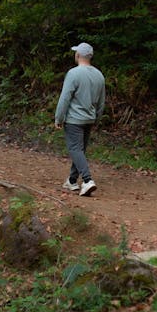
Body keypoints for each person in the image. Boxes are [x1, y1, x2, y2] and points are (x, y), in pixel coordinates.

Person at [55, 42, 105, 196]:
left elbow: (65, 98)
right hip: (89, 119)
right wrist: (97, 118)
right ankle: (71, 181)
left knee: (75, 149)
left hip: (74, 120)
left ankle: (88, 180)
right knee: (80, 150)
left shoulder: (73, 74)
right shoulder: (99, 75)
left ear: (78, 55)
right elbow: (101, 101)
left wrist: (59, 117)